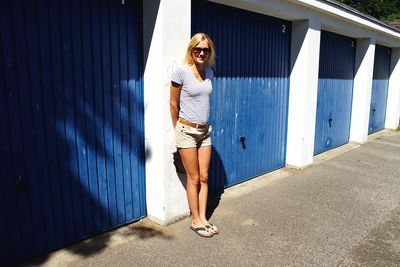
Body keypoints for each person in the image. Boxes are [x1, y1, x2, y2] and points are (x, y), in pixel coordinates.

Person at [169, 33, 219, 238]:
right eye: (197, 49)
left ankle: (204, 218)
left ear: (210, 52)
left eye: (205, 49)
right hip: (187, 132)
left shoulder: (210, 73)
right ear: (191, 50)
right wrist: (178, 130)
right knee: (194, 177)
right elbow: (173, 104)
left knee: (205, 177)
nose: (201, 52)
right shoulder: (181, 72)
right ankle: (195, 220)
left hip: (205, 131)